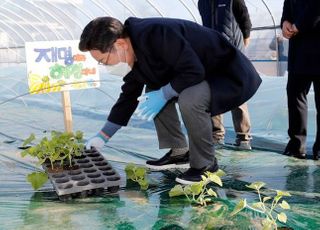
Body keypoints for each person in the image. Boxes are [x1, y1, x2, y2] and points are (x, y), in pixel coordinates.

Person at [79, 16, 261, 184]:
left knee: (190, 98)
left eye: (104, 60)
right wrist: (103, 136)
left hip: (227, 74)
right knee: (153, 90)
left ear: (120, 44)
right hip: (200, 75)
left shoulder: (156, 33)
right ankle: (180, 152)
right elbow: (128, 96)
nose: (105, 66)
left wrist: (165, 93)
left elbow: (193, 71)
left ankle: (206, 165)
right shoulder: (134, 52)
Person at [198, 0, 253, 150]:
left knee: (237, 93)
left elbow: (244, 19)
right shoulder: (202, 2)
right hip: (212, 52)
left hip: (233, 52)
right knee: (214, 92)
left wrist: (243, 41)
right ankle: (217, 136)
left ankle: (244, 138)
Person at [280, 0, 320, 160]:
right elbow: (288, 6)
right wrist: (285, 23)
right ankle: (296, 145)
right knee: (295, 96)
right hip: (299, 50)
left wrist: (298, 26)